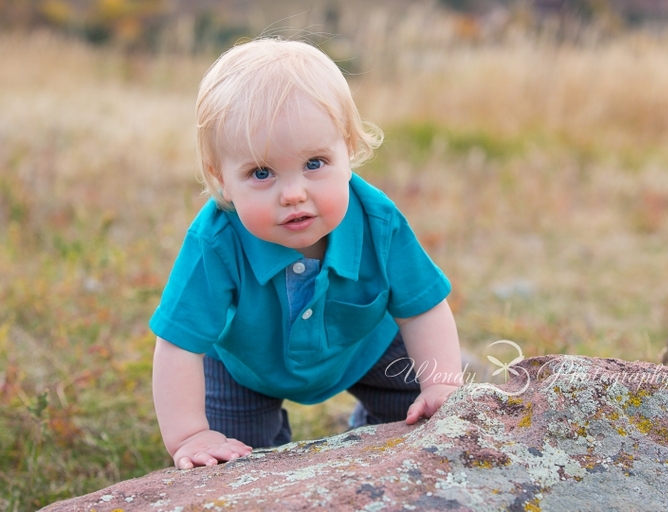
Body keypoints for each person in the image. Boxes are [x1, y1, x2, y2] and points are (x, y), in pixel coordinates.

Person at [150, 37, 463, 470]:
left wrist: (441, 384)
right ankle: (262, 455)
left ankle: (371, 433)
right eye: (261, 172)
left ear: (348, 151)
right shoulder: (215, 241)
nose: (293, 194)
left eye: (315, 163)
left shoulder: (378, 220)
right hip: (245, 367)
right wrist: (190, 434)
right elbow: (178, 345)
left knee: (417, 408)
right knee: (235, 458)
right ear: (219, 176)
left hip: (364, 346)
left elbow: (422, 308)